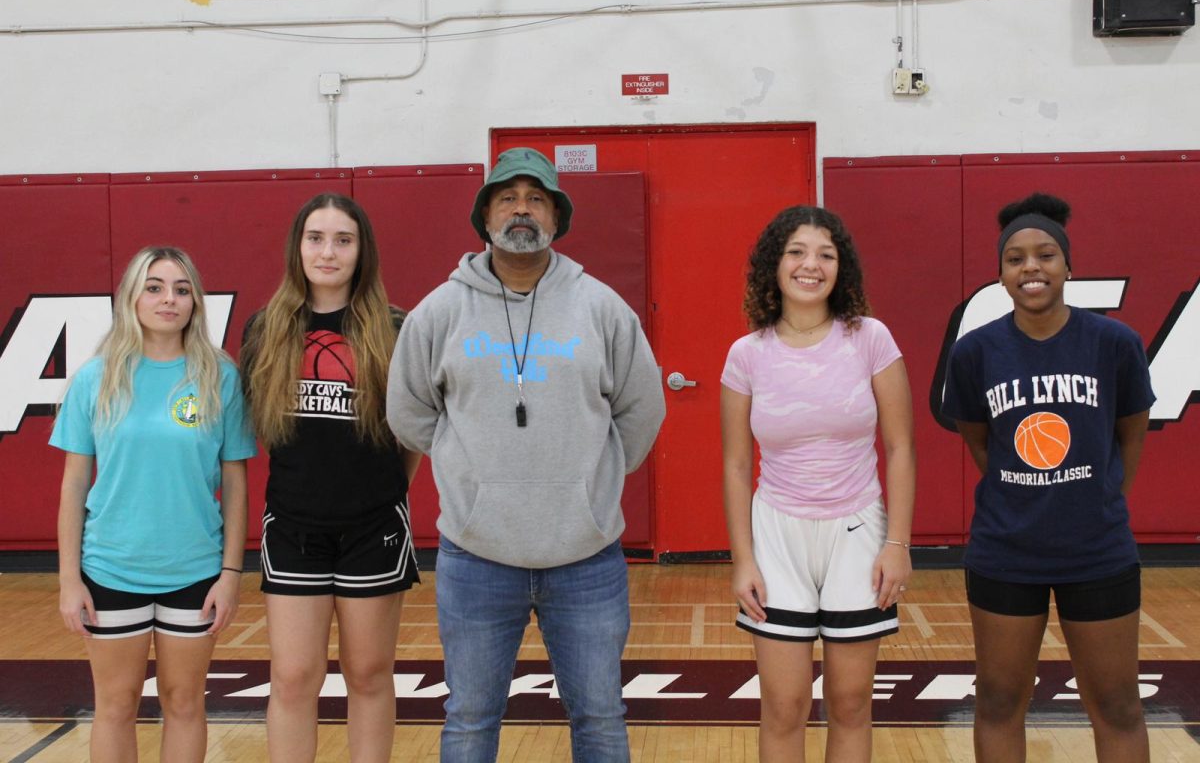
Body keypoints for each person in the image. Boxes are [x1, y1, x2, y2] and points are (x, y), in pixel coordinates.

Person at [387, 147, 666, 762]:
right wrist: (468, 470)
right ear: (484, 214)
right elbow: (407, 411)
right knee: (468, 719)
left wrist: (591, 485)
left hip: (585, 558)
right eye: (506, 198)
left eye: (535, 198)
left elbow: (643, 409)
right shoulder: (441, 310)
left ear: (557, 217)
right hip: (476, 557)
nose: (521, 209)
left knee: (599, 718)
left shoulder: (600, 307)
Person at [941, 193, 1153, 763]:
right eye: (1015, 258)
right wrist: (1022, 492)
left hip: (1098, 550)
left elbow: (1131, 431)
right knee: (999, 701)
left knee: (1118, 706)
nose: (1030, 267)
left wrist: (1101, 495)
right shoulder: (975, 353)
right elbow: (979, 439)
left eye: (1044, 255)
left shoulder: (1114, 344)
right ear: (1001, 275)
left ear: (1067, 265)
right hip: (1006, 551)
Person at [720, 205, 916, 762]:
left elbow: (901, 448)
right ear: (774, 266)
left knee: (851, 702)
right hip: (777, 534)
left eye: (826, 254)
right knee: (784, 706)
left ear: (841, 268)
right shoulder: (746, 355)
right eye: (797, 253)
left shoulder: (870, 339)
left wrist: (896, 543)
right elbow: (736, 465)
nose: (812, 265)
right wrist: (743, 559)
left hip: (858, 530)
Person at [53, 246, 255, 763]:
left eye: (182, 289)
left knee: (184, 702)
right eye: (155, 286)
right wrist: (69, 579)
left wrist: (230, 572)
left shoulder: (220, 377)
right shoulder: (96, 379)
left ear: (195, 303)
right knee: (115, 705)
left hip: (194, 570)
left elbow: (235, 482)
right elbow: (75, 485)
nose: (169, 299)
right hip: (110, 569)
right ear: (131, 297)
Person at [241, 193, 421, 763]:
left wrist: (386, 490)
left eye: (343, 240)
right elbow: (263, 430)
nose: (328, 251)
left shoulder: (396, 328)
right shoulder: (266, 328)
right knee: (293, 677)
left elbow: (411, 437)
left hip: (374, 526)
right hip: (293, 525)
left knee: (369, 673)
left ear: (362, 250)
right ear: (297, 248)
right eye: (316, 238)